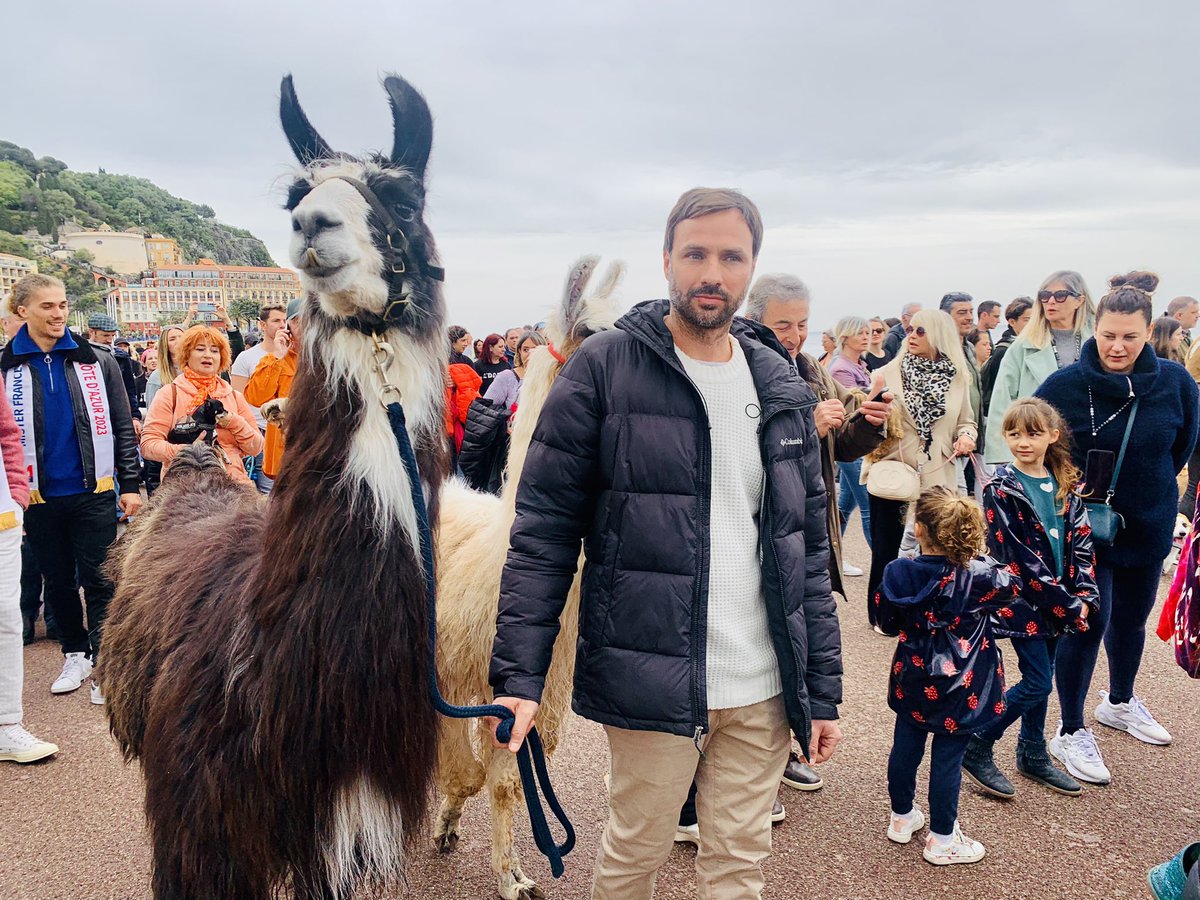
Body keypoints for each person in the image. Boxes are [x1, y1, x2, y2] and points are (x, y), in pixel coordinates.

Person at [487, 188, 843, 898]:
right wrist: (518, 681)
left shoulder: (778, 382)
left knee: (738, 866)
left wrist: (822, 688)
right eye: (696, 254)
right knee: (633, 857)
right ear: (667, 261)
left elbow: (802, 549)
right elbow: (544, 533)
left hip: (763, 682)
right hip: (651, 676)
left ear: (751, 267)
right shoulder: (605, 368)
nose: (712, 272)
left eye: (731, 256)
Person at [1037, 270, 1198, 784]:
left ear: (1148, 333)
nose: (1117, 346)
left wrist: (1154, 494)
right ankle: (1069, 728)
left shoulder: (1175, 384)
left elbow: (1184, 446)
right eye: (1108, 334)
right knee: (1089, 623)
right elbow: (1033, 447)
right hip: (1085, 529)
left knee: (1131, 621)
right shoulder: (1065, 384)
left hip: (1147, 525)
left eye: (1130, 336)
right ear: (1094, 327)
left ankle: (1120, 701)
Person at [738, 274, 890, 798]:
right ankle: (746, 768)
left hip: (806, 523)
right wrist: (811, 427)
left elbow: (841, 449)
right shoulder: (738, 367)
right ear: (754, 318)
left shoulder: (809, 370)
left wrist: (865, 424)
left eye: (803, 323)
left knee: (797, 645)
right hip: (759, 529)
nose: (796, 334)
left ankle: (782, 752)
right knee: (759, 646)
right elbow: (741, 454)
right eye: (783, 324)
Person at [1, 274, 142, 705]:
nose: (59, 313)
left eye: (62, 305)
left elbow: (121, 424)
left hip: (93, 489)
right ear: (22, 311)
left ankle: (104, 661)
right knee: (57, 581)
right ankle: (75, 652)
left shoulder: (97, 360)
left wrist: (131, 482)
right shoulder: (6, 366)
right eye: (48, 306)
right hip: (38, 495)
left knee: (101, 578)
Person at [963, 398, 1097, 799]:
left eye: (1034, 433)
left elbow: (1083, 543)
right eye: (1014, 434)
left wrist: (1086, 592)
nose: (1023, 442)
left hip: (1058, 603)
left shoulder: (1065, 485)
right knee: (1038, 682)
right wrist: (1071, 605)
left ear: (1052, 436)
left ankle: (1033, 751)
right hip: (1023, 604)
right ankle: (977, 742)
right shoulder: (1001, 489)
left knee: (1043, 680)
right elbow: (1020, 559)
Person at [875, 487, 1017, 866]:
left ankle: (902, 817)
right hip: (964, 682)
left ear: (919, 529)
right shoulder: (982, 575)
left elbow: (885, 621)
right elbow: (1012, 589)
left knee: (905, 746)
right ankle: (942, 839)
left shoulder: (897, 571)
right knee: (948, 757)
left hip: (912, 675)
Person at [863, 310, 977, 626]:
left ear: (939, 334)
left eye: (921, 330)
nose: (911, 335)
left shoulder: (958, 376)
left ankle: (933, 608)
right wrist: (879, 420)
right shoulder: (885, 373)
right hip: (894, 469)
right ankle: (882, 615)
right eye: (910, 329)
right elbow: (866, 423)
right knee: (885, 548)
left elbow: (967, 420)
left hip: (938, 470)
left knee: (939, 545)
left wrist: (966, 436)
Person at [0, 386, 59, 763]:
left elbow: (7, 433)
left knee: (6, 618)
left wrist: (17, 493)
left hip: (2, 514)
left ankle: (7, 725)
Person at [984, 271, 1095, 464]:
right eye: (1044, 296)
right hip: (1036, 448)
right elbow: (1001, 401)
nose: (1050, 301)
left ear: (1080, 300)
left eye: (1060, 296)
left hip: (1086, 444)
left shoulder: (1097, 342)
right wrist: (1003, 456)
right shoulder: (1022, 346)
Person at [141, 326, 264, 485]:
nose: (208, 355)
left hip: (233, 489)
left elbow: (255, 447)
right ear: (186, 355)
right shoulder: (169, 394)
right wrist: (188, 452)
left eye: (214, 351)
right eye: (200, 349)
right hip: (184, 489)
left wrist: (232, 421)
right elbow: (148, 445)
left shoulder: (233, 396)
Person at [828, 316, 874, 565]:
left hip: (857, 445)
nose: (866, 336)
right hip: (849, 442)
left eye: (868, 332)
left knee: (845, 505)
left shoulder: (858, 365)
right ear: (845, 337)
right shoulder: (841, 369)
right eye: (860, 333)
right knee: (868, 505)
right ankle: (883, 563)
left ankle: (831, 559)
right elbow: (852, 412)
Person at [231, 300, 287, 495]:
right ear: (262, 325)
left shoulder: (295, 354)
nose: (282, 325)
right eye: (276, 321)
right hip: (258, 431)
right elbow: (236, 399)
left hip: (286, 431)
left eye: (285, 320)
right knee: (266, 491)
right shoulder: (246, 358)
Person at [243, 300, 301, 485]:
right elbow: (256, 397)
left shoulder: (331, 358)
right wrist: (277, 356)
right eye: (299, 321)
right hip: (285, 455)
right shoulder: (275, 358)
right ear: (288, 327)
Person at [979, 297, 1033, 424]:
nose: (1032, 324)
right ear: (1012, 322)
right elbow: (998, 393)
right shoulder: (1005, 351)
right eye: (1027, 320)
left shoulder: (1029, 347)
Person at [88, 313, 142, 433]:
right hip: (92, 417)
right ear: (92, 332)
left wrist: (134, 416)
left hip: (119, 415)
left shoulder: (121, 357)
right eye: (105, 335)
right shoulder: (81, 355)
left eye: (112, 336)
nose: (109, 339)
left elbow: (129, 389)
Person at [487, 330, 546, 420]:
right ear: (519, 351)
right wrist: (505, 427)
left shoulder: (551, 377)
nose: (530, 354)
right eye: (526, 350)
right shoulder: (507, 377)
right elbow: (486, 408)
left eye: (535, 349)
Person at [1167, 295, 1199, 363]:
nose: (1198, 315)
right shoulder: (1164, 336)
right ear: (1179, 315)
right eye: (1194, 312)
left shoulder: (1186, 334)